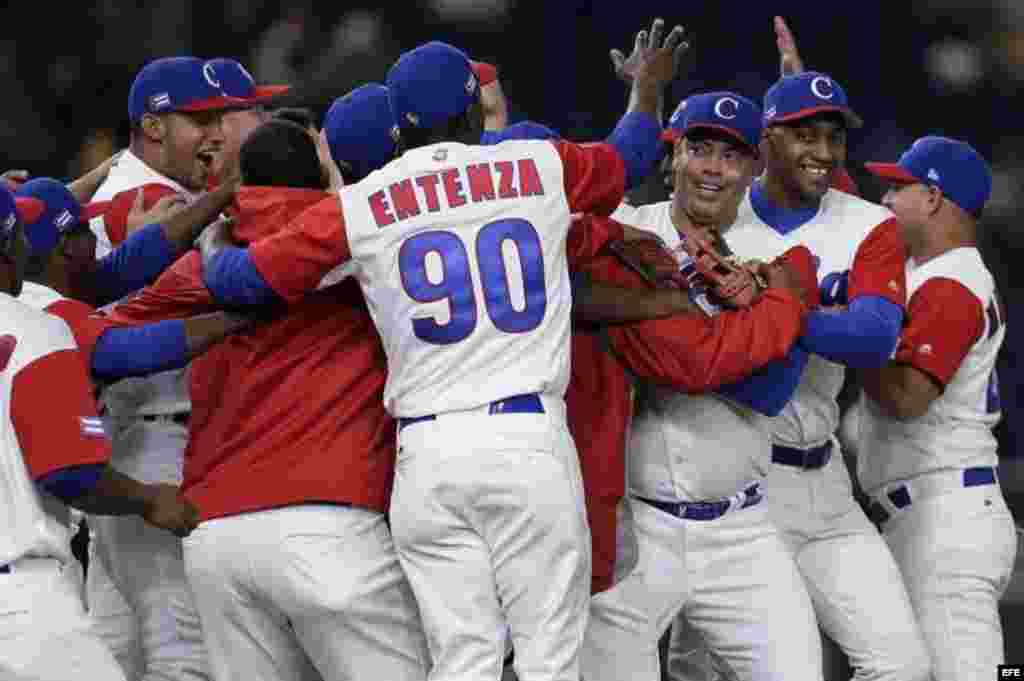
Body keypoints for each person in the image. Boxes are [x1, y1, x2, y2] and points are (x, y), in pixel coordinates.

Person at [199, 24, 685, 681]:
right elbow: (628, 154)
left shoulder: (366, 202)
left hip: (425, 455)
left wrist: (211, 242)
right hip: (524, 438)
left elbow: (242, 282)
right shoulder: (535, 165)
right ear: (470, 111)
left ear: (400, 123)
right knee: (549, 658)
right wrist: (647, 89)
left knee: (463, 660)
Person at [103, 113, 428, 681]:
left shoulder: (202, 257)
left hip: (219, 538)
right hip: (331, 520)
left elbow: (100, 337)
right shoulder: (363, 240)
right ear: (322, 173)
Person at [592, 91, 826, 681]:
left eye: (731, 154)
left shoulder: (780, 259)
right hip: (636, 525)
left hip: (741, 530)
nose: (712, 168)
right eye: (699, 148)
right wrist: (723, 324)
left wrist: (680, 335)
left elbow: (773, 387)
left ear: (755, 167)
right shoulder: (623, 232)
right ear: (673, 153)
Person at [717, 70, 931, 681]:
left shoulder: (866, 223)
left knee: (902, 665)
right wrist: (815, 316)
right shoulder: (722, 214)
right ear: (765, 140)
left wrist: (772, 307)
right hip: (738, 475)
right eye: (803, 135)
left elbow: (872, 338)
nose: (823, 152)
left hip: (825, 479)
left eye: (833, 137)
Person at [84, 55, 244, 681]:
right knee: (183, 648)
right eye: (197, 119)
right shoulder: (146, 197)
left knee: (113, 648)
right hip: (155, 438)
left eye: (218, 119)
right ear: (153, 126)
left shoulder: (126, 187)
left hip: (121, 438)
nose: (214, 133)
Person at [0, 183, 198, 681]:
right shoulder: (30, 327)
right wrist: (150, 498)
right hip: (21, 596)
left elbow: (113, 274)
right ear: (10, 247)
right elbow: (71, 470)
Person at [858, 137, 1018, 681]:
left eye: (897, 188)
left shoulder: (952, 281)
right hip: (924, 511)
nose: (884, 200)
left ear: (931, 196)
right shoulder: (927, 272)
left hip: (943, 516)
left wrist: (853, 342)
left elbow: (908, 397)